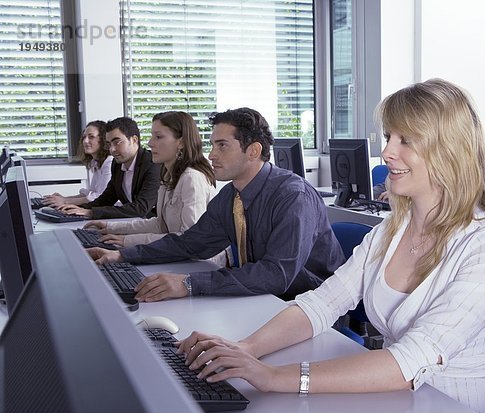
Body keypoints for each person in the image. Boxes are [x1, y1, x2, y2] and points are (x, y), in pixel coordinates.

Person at [174, 80, 485, 413]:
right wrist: (246, 348)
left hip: (459, 412)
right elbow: (321, 304)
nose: (388, 152)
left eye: (406, 140)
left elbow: (408, 362)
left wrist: (273, 377)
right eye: (389, 137)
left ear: (450, 150)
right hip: (394, 403)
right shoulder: (391, 231)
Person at [87, 107, 345, 301]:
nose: (211, 154)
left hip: (310, 305)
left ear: (253, 151)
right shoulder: (232, 196)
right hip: (266, 300)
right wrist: (121, 255)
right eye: (212, 145)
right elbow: (190, 242)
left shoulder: (292, 197)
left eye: (222, 146)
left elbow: (275, 276)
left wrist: (189, 284)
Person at [83, 111, 220, 249]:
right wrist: (110, 227)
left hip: (199, 263)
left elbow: (189, 239)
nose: (150, 143)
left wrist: (127, 241)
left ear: (181, 142)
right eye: (152, 136)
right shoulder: (168, 175)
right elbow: (160, 224)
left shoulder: (192, 178)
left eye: (158, 137)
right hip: (176, 254)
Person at [60, 116, 161, 219]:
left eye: (117, 142)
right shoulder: (117, 164)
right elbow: (106, 199)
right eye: (109, 144)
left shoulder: (152, 164)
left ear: (134, 140)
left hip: (154, 226)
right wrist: (77, 209)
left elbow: (141, 208)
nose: (112, 149)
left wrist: (91, 213)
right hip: (134, 222)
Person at [43, 120, 112, 207]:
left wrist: (64, 201)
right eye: (84, 137)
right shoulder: (96, 163)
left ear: (103, 139)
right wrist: (64, 198)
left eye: (91, 137)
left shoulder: (109, 163)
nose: (85, 141)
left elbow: (99, 197)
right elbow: (90, 194)